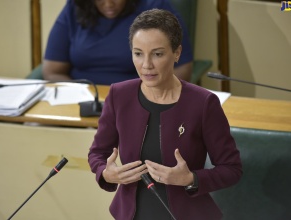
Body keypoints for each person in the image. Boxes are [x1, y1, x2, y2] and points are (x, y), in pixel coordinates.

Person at [88, 8, 242, 220]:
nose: (146, 65)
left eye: (157, 54)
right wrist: (105, 173)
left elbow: (232, 168)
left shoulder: (203, 103)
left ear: (177, 53)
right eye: (138, 53)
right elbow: (97, 153)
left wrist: (191, 179)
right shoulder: (118, 95)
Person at [43, 0, 193, 85]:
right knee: (34, 127)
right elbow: (52, 70)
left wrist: (148, 98)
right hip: (82, 101)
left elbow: (182, 68)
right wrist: (82, 95)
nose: (108, 4)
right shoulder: (75, 7)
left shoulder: (155, 7)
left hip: (138, 100)